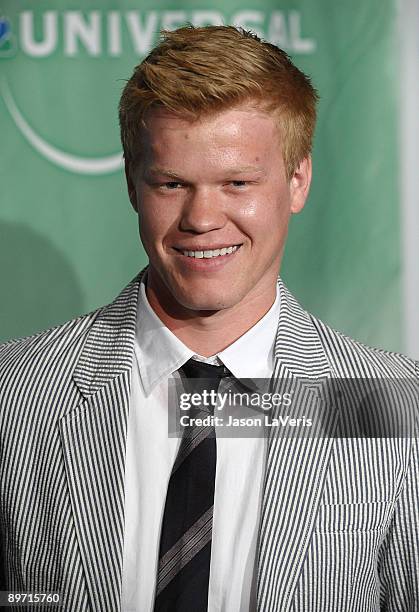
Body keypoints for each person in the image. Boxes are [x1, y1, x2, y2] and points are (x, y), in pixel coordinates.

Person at [0, 24, 418, 612]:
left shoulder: (392, 407)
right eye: (172, 184)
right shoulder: (14, 391)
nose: (202, 218)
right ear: (132, 183)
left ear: (298, 180)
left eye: (237, 183)